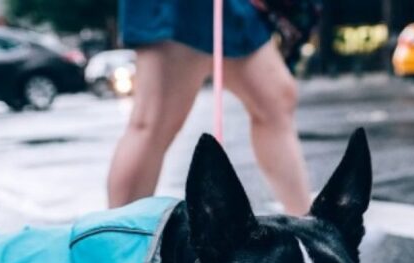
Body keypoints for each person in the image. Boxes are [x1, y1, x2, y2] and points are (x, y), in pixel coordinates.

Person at [108, 0, 312, 215]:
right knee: (151, 122)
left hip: (229, 10)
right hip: (181, 10)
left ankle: (304, 221)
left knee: (275, 99)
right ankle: (120, 236)